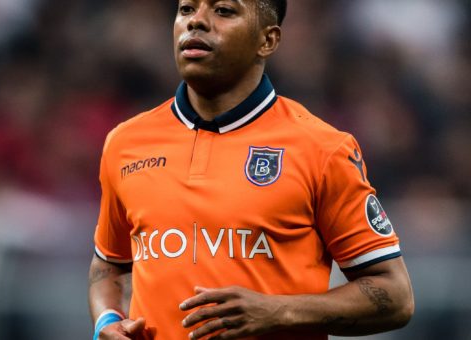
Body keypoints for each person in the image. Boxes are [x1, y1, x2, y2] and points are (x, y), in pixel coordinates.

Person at [88, 0, 414, 339]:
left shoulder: (322, 148)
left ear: (267, 40)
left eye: (224, 10)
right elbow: (110, 265)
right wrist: (107, 322)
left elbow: (395, 296)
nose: (196, 21)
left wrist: (281, 311)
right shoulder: (126, 143)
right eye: (186, 9)